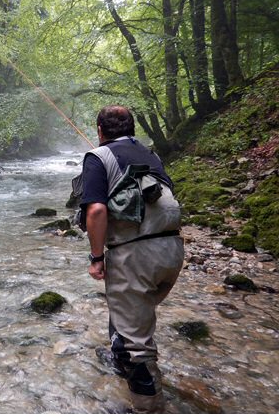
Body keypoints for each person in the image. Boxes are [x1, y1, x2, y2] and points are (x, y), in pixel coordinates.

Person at [80, 105, 184, 413]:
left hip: (135, 254)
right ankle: (119, 360)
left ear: (100, 130)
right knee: (133, 315)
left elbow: (96, 210)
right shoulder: (152, 155)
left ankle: (149, 408)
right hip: (172, 251)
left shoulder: (98, 157)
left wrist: (96, 257)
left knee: (136, 345)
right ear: (133, 129)